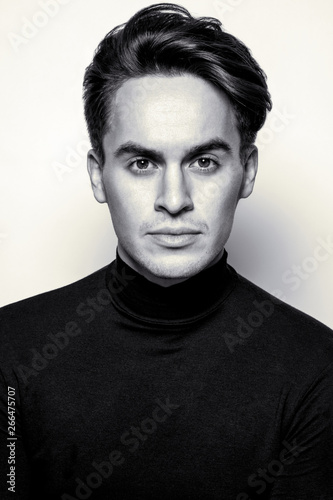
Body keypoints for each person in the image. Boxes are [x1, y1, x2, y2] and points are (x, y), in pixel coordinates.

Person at [1, 3, 332, 499]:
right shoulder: (10, 350)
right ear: (97, 174)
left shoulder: (317, 370)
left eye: (203, 161)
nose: (173, 200)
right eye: (141, 162)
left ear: (247, 171)